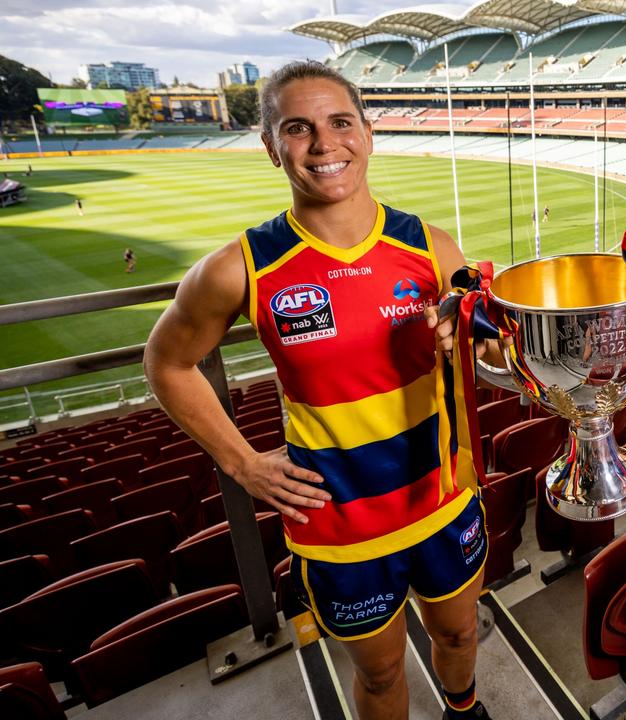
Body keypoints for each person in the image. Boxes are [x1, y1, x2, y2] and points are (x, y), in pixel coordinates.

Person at [143, 61, 493, 720]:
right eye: (297, 129)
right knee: (383, 672)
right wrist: (241, 463)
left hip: (442, 496)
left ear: (367, 132)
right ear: (272, 147)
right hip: (339, 524)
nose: (324, 144)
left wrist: (474, 335)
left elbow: (490, 344)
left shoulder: (431, 245)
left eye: (340, 122)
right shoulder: (239, 267)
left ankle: (465, 707)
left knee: (459, 633)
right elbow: (166, 364)